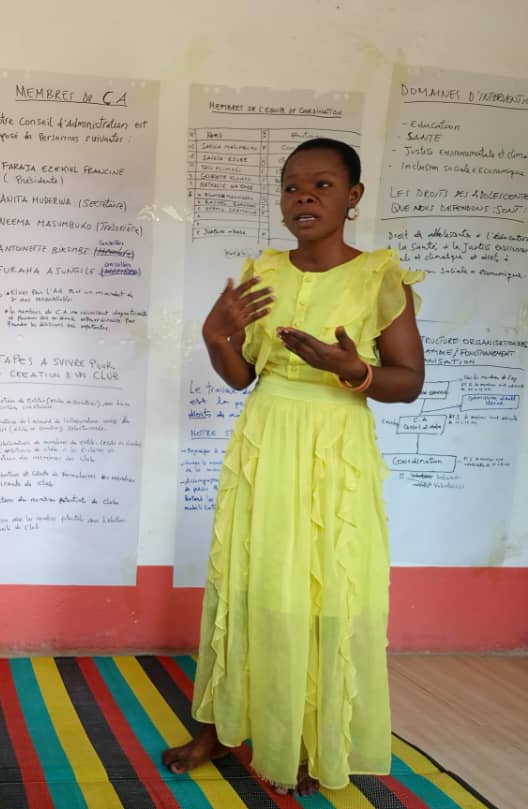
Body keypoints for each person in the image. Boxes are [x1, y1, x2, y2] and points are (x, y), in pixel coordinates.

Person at [162, 139, 425, 795]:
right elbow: (242, 376)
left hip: (334, 446)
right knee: (246, 580)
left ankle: (309, 736)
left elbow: (409, 380)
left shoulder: (379, 277)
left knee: (323, 588)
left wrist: (352, 371)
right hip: (266, 437)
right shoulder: (264, 271)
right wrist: (215, 337)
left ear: (354, 196)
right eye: (291, 187)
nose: (303, 197)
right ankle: (223, 725)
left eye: (323, 185)